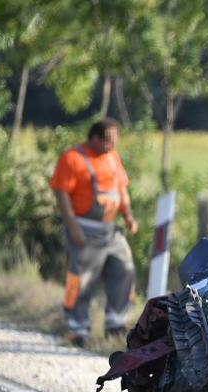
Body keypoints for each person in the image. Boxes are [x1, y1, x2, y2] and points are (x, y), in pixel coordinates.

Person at [49, 118, 138, 347]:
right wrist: (73, 227)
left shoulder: (113, 157)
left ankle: (115, 324)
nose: (112, 145)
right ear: (95, 138)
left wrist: (128, 216)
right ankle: (77, 330)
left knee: (124, 270)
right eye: (108, 141)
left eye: (115, 141)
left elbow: (122, 189)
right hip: (84, 230)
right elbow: (61, 194)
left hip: (110, 230)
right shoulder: (72, 158)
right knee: (82, 280)